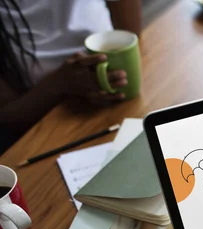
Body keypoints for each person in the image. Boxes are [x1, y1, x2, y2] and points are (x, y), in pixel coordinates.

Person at [0, 0, 142, 152]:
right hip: (53, 123)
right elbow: (7, 117)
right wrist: (59, 85)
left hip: (121, 103)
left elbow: (133, 36)